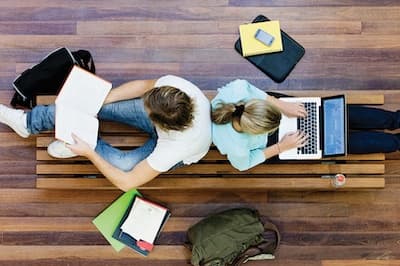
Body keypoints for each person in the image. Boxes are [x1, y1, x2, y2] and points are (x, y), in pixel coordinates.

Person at [0, 75, 212, 191]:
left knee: (124, 166)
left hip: (180, 150)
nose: (142, 106)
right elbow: (142, 85)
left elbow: (127, 183)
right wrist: (104, 100)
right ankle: (26, 123)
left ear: (160, 124)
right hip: (172, 124)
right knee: (89, 105)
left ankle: (83, 144)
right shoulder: (175, 88)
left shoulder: (175, 148)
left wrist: (89, 154)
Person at [211, 79, 400, 171]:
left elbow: (256, 92)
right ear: (255, 132)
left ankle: (396, 120)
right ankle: (396, 142)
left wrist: (280, 104)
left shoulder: (237, 91)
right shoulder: (236, 148)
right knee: (336, 143)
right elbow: (244, 164)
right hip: (277, 143)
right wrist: (280, 146)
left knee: (337, 114)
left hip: (278, 108)